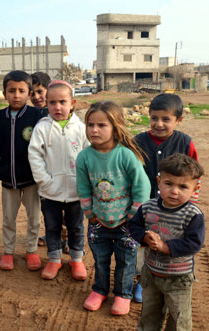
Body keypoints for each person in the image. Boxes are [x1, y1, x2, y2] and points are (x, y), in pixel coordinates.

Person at [76, 101, 150, 315]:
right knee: (100, 259)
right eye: (90, 125)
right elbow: (83, 188)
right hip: (98, 222)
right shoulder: (84, 157)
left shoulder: (126, 155)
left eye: (101, 125)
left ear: (116, 127)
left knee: (126, 262)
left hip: (127, 223)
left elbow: (142, 187)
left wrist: (133, 215)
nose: (94, 130)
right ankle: (99, 290)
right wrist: (89, 214)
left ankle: (122, 294)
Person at [132, 93, 200, 303]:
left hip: (176, 206)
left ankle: (174, 278)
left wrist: (189, 205)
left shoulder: (185, 142)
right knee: (145, 241)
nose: (158, 124)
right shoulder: (138, 142)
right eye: (154, 118)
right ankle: (143, 281)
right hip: (146, 204)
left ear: (178, 120)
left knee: (171, 239)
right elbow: (131, 172)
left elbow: (195, 175)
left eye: (166, 119)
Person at [128, 153, 205, 330]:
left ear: (195, 189)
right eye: (168, 183)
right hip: (151, 274)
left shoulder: (193, 214)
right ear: (159, 181)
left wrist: (164, 246)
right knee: (149, 315)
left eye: (183, 186)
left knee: (179, 319)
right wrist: (144, 238)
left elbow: (194, 243)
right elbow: (134, 226)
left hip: (178, 279)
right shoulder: (148, 207)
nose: (174, 191)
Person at [28, 80, 89, 280]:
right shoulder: (42, 128)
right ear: (46, 104)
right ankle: (54, 259)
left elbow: (89, 156)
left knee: (76, 227)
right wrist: (45, 181)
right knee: (52, 226)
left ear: (73, 103)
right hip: (50, 192)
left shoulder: (81, 128)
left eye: (63, 102)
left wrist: (85, 183)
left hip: (75, 192)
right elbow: (35, 155)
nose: (57, 107)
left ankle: (76, 259)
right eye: (52, 102)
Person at [0, 70, 44, 271]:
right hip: (7, 180)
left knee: (34, 218)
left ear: (29, 93)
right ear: (4, 93)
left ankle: (31, 250)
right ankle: (8, 251)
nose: (16, 95)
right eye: (11, 90)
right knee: (8, 219)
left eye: (21, 90)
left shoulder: (36, 116)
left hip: (31, 180)